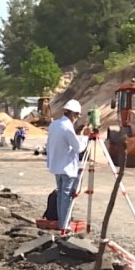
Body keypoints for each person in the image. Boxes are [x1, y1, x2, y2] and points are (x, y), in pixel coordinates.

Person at [46, 99, 86, 233]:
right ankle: (64, 225)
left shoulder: (54, 125)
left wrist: (78, 134)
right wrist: (85, 137)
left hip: (56, 165)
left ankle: (62, 223)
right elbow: (79, 148)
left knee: (61, 196)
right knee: (66, 197)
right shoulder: (68, 128)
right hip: (67, 168)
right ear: (74, 114)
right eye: (76, 116)